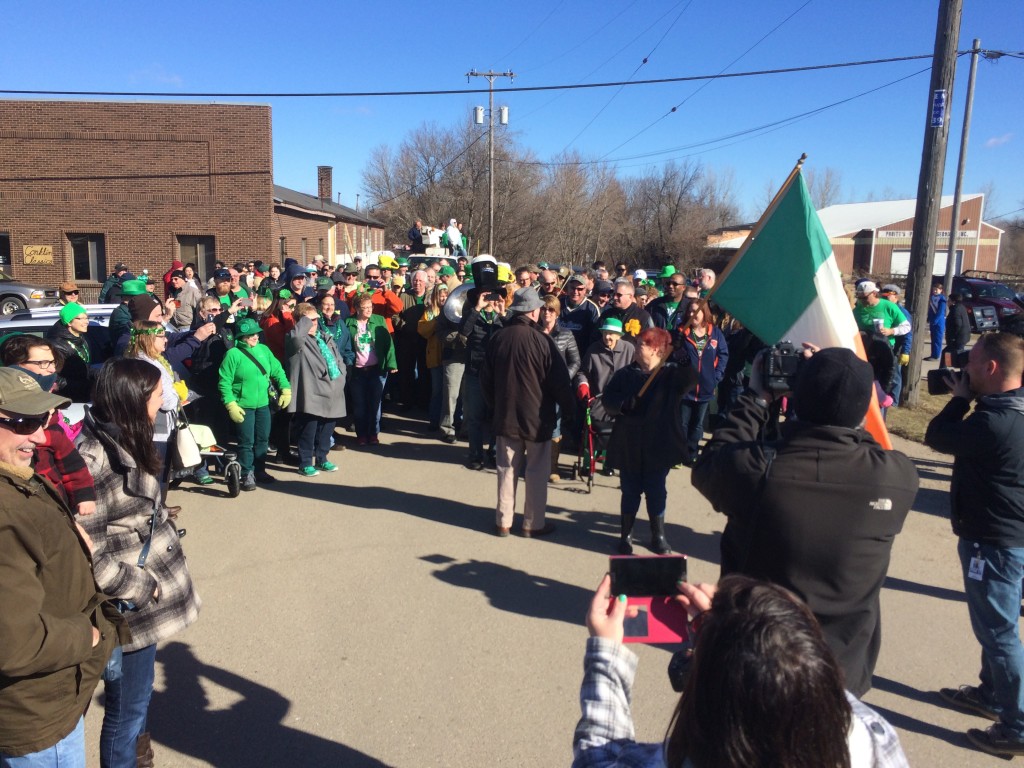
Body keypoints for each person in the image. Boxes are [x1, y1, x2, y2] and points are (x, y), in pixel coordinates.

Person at [692, 346, 918, 697]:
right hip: (843, 673)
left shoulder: (756, 471)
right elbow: (868, 445)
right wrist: (841, 390)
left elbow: (712, 462)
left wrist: (757, 397)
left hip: (756, 663)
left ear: (797, 397)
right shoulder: (898, 477)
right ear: (867, 406)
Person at [573, 574, 909, 768]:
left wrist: (607, 653)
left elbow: (598, 757)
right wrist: (732, 632)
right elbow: (799, 679)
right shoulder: (873, 737)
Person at [76, 358, 201, 768]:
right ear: (132, 400)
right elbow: (89, 552)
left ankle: (138, 757)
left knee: (137, 697)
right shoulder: (93, 461)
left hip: (142, 593)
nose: (163, 398)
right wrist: (141, 586)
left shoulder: (127, 433)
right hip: (127, 601)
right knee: (125, 708)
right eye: (155, 393)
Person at [0, 368, 123, 768]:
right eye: (22, 422)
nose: (38, 436)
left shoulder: (17, 478)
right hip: (37, 710)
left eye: (42, 420)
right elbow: (14, 642)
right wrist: (84, 636)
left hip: (50, 695)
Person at [924, 332, 1024, 757]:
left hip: (994, 541)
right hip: (1009, 535)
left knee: (999, 632)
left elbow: (936, 435)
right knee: (996, 623)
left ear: (992, 368)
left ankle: (1017, 724)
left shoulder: (992, 422)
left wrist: (959, 399)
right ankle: (990, 694)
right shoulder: (1012, 412)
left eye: (972, 364)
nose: (966, 371)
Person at [481, 287, 573, 537]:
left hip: (506, 415)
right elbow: (560, 382)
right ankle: (533, 523)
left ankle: (503, 521)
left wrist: (494, 406)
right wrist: (570, 411)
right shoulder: (543, 341)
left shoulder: (498, 338)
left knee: (506, 469)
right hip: (537, 417)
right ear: (534, 311)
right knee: (536, 472)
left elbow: (485, 380)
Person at [602, 327, 696, 554]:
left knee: (656, 490)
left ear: (655, 350)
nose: (635, 349)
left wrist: (683, 357)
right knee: (630, 489)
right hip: (630, 442)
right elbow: (608, 400)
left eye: (641, 345)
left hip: (658, 443)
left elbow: (691, 381)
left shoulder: (670, 375)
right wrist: (624, 404)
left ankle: (658, 535)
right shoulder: (626, 374)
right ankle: (626, 535)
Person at [0, 335, 97, 514]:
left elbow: (71, 462)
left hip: (58, 507)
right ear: (15, 366)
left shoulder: (52, 412)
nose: (52, 369)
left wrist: (83, 495)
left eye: (53, 362)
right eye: (43, 363)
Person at [218, 317, 292, 491]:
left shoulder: (264, 350)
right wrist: (231, 405)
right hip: (243, 405)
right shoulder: (232, 355)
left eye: (256, 333)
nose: (255, 337)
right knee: (246, 442)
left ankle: (260, 470)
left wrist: (286, 388)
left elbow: (277, 370)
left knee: (263, 439)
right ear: (242, 337)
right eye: (250, 334)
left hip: (263, 404)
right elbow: (224, 382)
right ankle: (247, 473)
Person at [285, 303, 345, 477]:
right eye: (310, 320)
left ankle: (322, 458)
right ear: (300, 322)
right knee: (308, 430)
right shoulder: (295, 339)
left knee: (326, 429)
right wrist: (303, 321)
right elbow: (296, 337)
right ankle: (305, 463)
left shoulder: (325, 337)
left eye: (316, 319)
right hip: (311, 393)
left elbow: (339, 359)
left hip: (333, 391)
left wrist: (341, 376)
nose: (315, 323)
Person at [673, 298, 728, 461]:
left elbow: (723, 355)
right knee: (682, 422)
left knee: (697, 424)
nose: (692, 314)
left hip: (705, 386)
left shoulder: (715, 333)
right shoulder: (681, 332)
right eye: (690, 311)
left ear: (704, 313)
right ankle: (679, 453)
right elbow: (673, 354)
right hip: (685, 387)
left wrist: (716, 376)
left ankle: (692, 452)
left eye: (696, 311)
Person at [460, 286, 506, 470]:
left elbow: (514, 332)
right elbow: (463, 332)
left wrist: (502, 313)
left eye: (492, 295)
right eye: (485, 295)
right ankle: (475, 455)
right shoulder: (472, 313)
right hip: (475, 371)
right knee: (474, 417)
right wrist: (477, 308)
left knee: (498, 417)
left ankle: (494, 452)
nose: (489, 298)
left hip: (498, 374)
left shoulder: (504, 316)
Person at [344, 292, 397, 446]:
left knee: (375, 404)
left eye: (370, 307)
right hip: (357, 371)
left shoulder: (379, 320)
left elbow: (389, 344)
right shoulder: (348, 322)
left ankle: (373, 433)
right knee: (359, 406)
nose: (368, 310)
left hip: (377, 370)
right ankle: (361, 434)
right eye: (364, 308)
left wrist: (392, 364)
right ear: (356, 309)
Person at [538, 293, 580, 482]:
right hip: (535, 387)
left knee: (554, 427)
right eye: (544, 309)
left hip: (556, 389)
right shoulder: (533, 332)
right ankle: (535, 463)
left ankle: (552, 467)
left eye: (551, 310)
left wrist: (563, 379)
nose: (547, 313)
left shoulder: (566, 334)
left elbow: (575, 362)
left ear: (557, 312)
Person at [418, 283, 451, 432]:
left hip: (450, 356)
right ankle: (434, 420)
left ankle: (452, 421)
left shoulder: (454, 311)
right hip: (435, 357)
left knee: (450, 392)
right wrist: (437, 320)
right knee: (437, 390)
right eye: (440, 294)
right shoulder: (429, 312)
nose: (443, 297)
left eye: (445, 294)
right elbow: (422, 330)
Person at [45, 302, 93, 403]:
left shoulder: (80, 338)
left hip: (83, 395)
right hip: (67, 399)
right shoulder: (56, 345)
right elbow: (52, 376)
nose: (86, 322)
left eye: (87, 318)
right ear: (69, 322)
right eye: (81, 318)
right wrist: (80, 386)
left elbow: (85, 367)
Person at [597, 280, 653, 345]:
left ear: (630, 296)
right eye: (613, 294)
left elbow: (650, 343)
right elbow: (596, 337)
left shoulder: (643, 317)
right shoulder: (606, 315)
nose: (615, 297)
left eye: (619, 295)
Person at [559, 274, 601, 356]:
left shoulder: (592, 308)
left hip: (581, 355)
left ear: (585, 290)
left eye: (580, 289)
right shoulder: (559, 303)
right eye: (573, 288)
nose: (575, 292)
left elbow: (595, 337)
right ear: (568, 288)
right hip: (559, 354)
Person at [945, 291, 972, 360]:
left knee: (958, 355)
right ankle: (943, 368)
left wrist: (953, 338)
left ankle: (964, 370)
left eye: (949, 301)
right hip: (963, 336)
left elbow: (958, 324)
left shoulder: (955, 310)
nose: (947, 302)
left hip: (959, 338)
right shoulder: (961, 307)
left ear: (953, 302)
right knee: (947, 353)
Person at [927, 282, 948, 360]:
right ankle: (933, 354)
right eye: (934, 289)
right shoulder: (932, 297)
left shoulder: (942, 299)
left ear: (941, 290)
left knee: (937, 339)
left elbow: (940, 311)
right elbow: (930, 309)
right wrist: (929, 318)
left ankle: (936, 356)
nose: (935, 291)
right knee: (933, 338)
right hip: (933, 320)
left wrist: (935, 320)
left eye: (936, 289)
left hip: (939, 321)